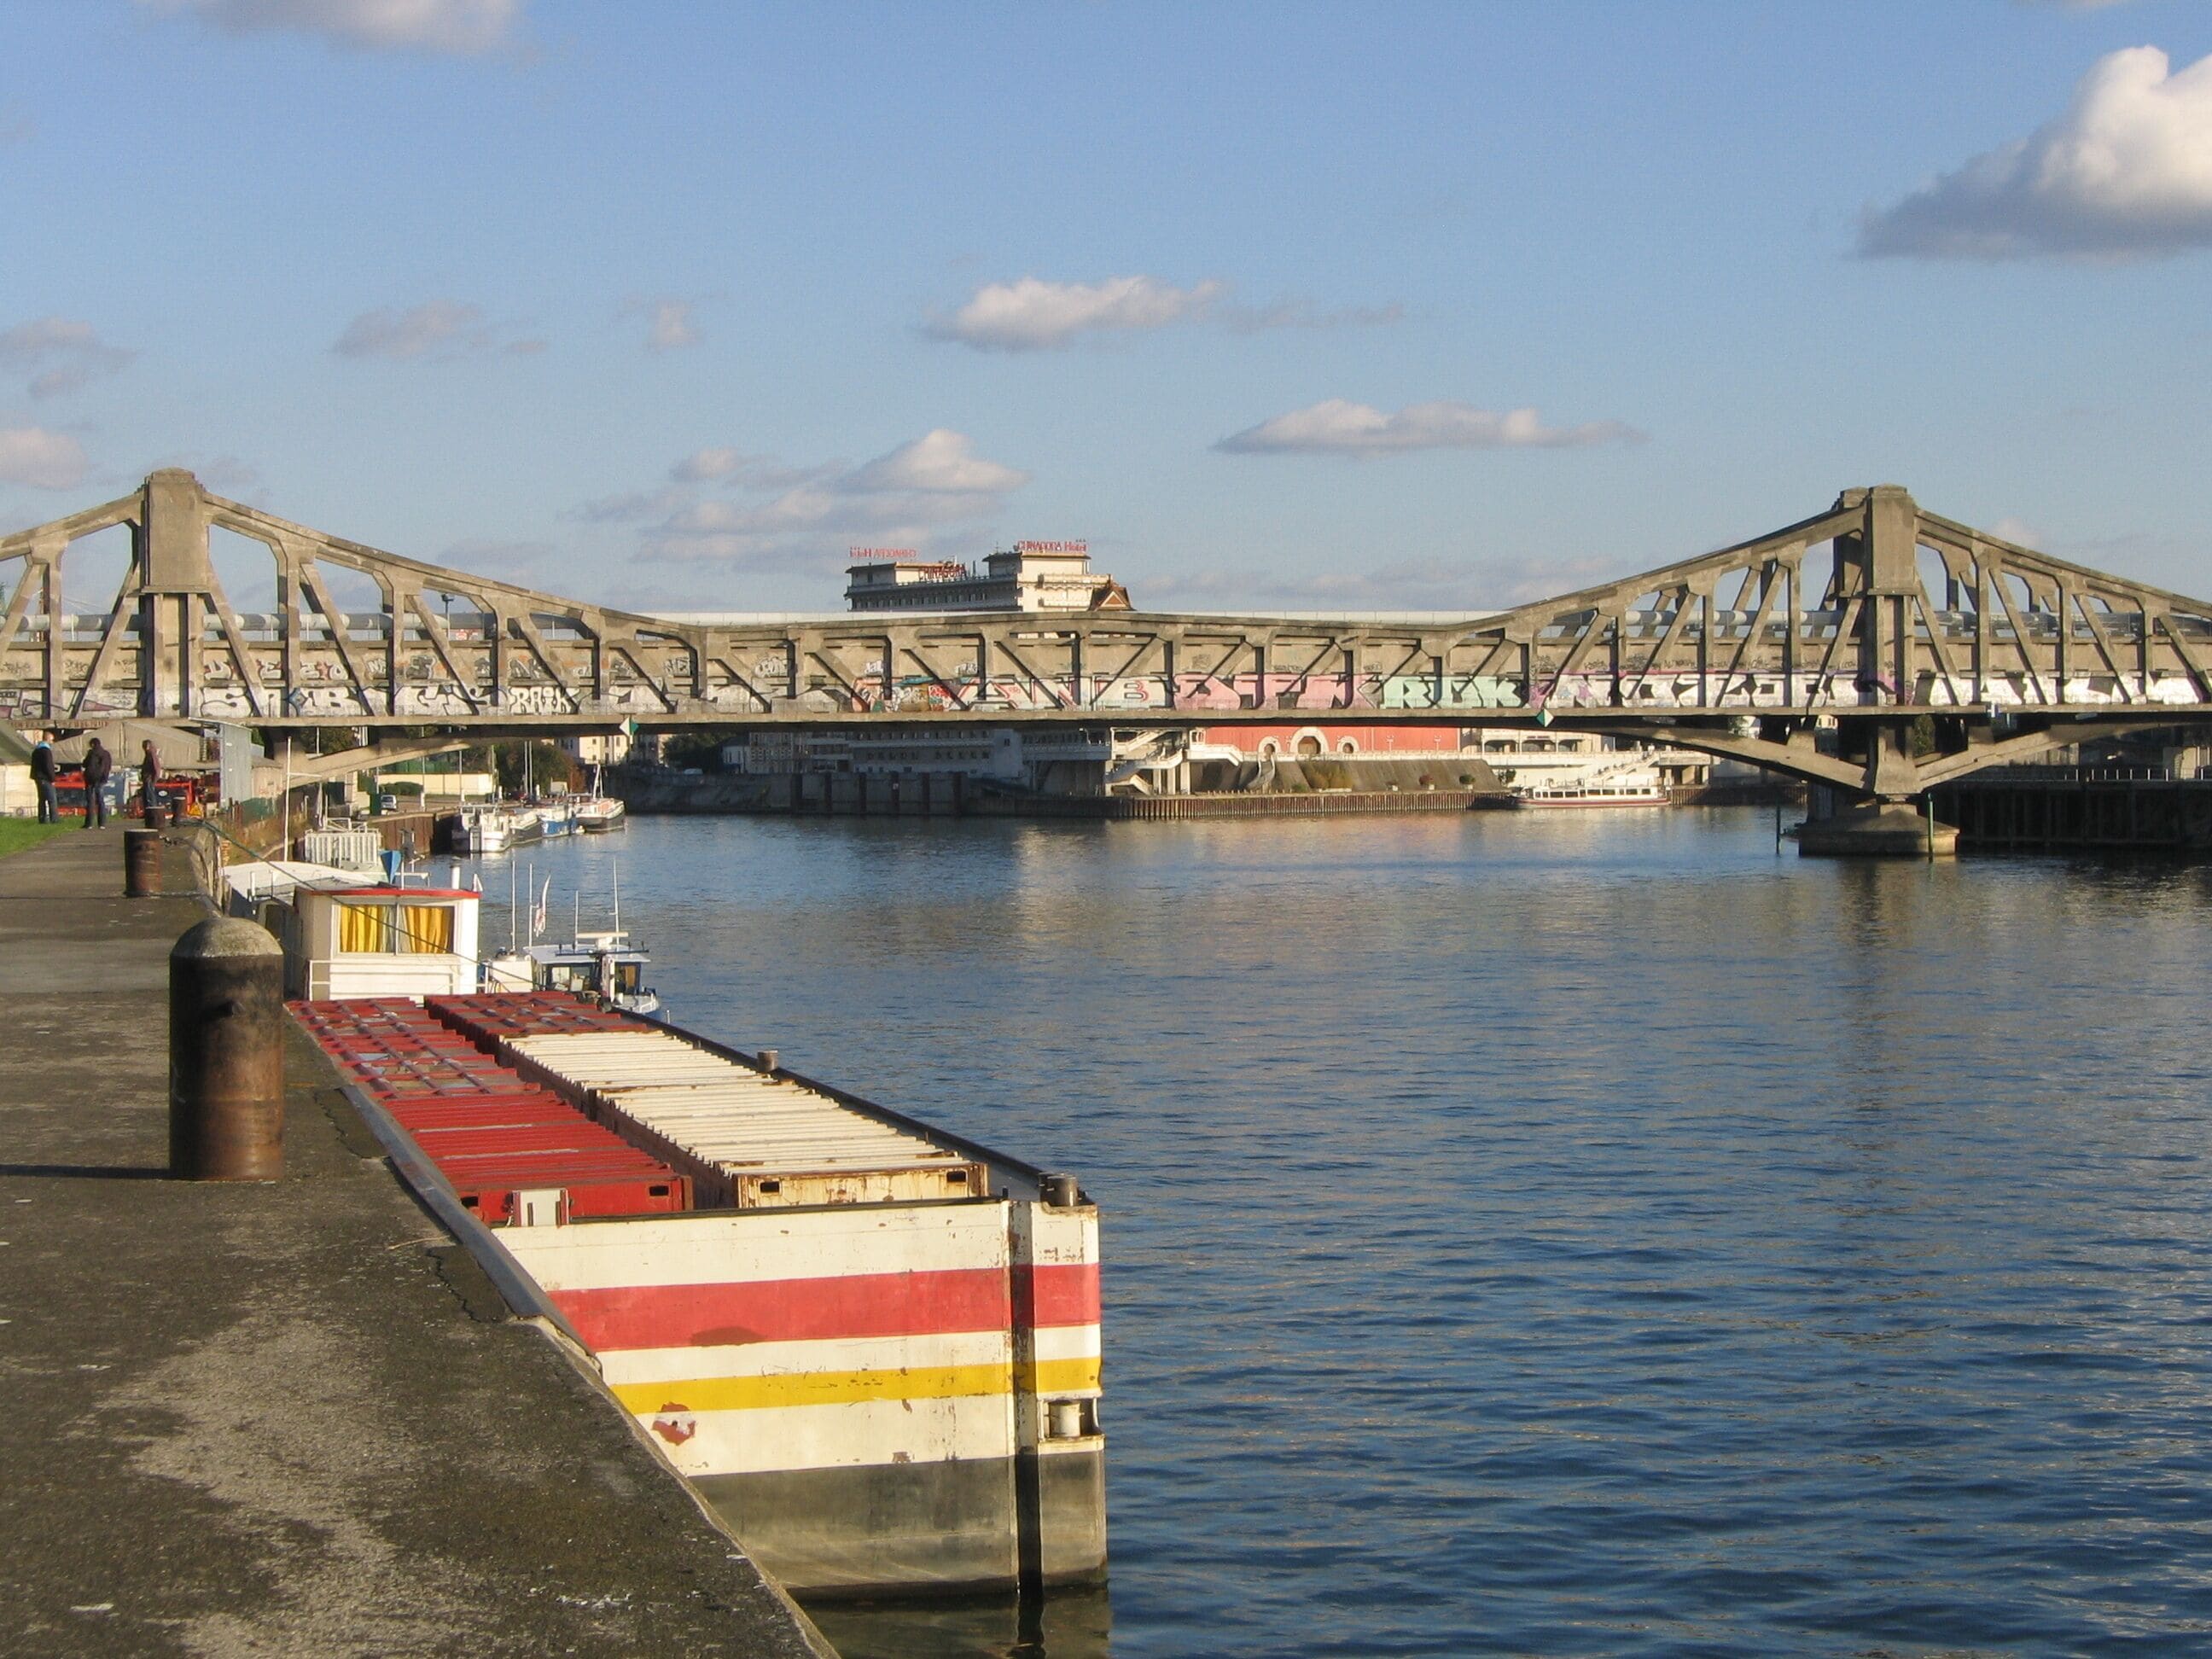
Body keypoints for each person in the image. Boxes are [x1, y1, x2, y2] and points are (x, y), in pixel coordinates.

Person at [81, 736, 112, 829]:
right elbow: (108, 767)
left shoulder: (91, 753)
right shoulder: (106, 754)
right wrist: (105, 778)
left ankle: (89, 823)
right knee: (101, 801)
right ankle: (102, 823)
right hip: (101, 779)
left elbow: (85, 764)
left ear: (92, 744)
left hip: (90, 780)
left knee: (90, 801)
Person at [28, 731, 57, 824]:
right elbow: (48, 766)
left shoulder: (36, 750)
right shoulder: (46, 751)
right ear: (47, 739)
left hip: (37, 777)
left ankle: (42, 818)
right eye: (51, 740)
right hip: (45, 778)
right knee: (52, 799)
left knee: (42, 799)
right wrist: (52, 778)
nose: (52, 742)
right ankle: (54, 819)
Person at [140, 737, 163, 819]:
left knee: (150, 798)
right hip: (147, 779)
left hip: (149, 779)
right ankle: (147, 813)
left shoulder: (151, 754)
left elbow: (156, 769)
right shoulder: (148, 755)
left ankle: (152, 815)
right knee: (146, 797)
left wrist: (154, 780)